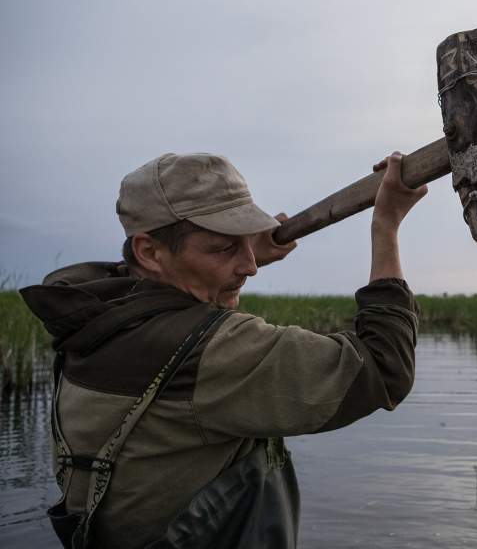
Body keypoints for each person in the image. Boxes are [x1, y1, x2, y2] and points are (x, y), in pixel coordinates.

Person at [20, 151, 427, 548]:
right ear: (150, 252)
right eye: (222, 248)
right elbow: (383, 366)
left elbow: (173, 304)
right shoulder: (212, 350)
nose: (249, 266)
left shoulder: (97, 317)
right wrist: (385, 225)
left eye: (246, 242)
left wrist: (232, 256)